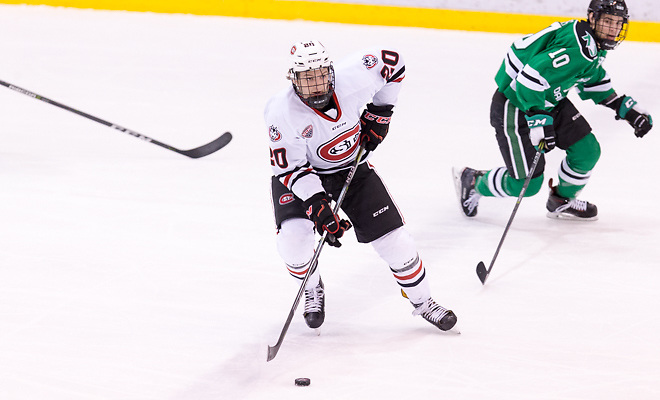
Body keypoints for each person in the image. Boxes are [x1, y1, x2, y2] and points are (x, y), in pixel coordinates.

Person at [265, 40, 457, 332]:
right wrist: (317, 204)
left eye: (320, 76)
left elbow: (395, 63)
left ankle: (424, 302)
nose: (316, 86)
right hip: (303, 175)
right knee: (293, 241)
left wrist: (381, 113)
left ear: (331, 72)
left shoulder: (355, 74)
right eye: (307, 79)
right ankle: (312, 287)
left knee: (397, 242)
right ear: (293, 80)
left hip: (351, 167)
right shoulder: (281, 113)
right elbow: (291, 168)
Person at [453, 0, 652, 220]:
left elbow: (589, 78)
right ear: (593, 18)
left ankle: (561, 200)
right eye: (607, 21)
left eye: (617, 22)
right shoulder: (579, 47)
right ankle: (473, 181)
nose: (613, 29)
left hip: (549, 100)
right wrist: (538, 118)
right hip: (517, 104)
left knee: (587, 150)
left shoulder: (593, 42)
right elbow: (528, 80)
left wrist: (623, 106)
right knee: (526, 185)